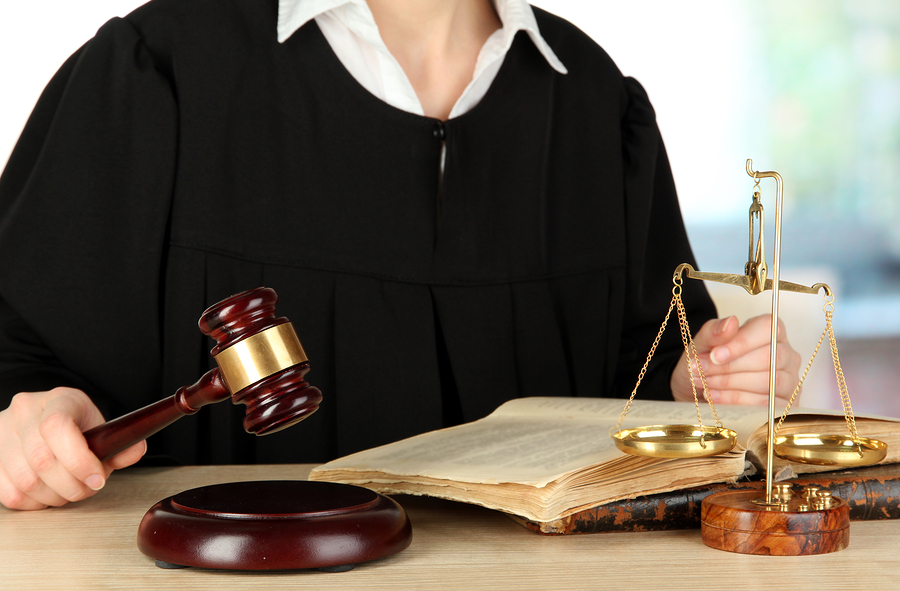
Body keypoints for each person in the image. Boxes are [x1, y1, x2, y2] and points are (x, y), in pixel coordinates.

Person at [0, 0, 801, 511]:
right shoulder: (158, 74)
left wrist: (700, 380)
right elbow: (20, 358)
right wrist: (29, 420)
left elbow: (651, 376)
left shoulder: (594, 105)